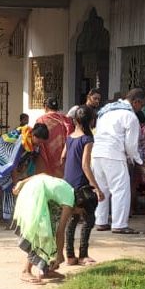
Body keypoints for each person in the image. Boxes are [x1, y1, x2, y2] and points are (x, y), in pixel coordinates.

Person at [11, 174, 96, 283]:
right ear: (80, 205)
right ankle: (25, 271)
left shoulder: (68, 188)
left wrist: (22, 182)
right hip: (33, 195)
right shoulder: (69, 203)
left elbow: (42, 175)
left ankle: (46, 270)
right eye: (82, 212)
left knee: (49, 230)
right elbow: (60, 232)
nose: (80, 214)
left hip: (31, 189)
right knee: (42, 234)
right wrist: (60, 254)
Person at [91, 88, 145, 234]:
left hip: (97, 154)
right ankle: (119, 224)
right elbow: (131, 145)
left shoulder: (106, 111)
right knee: (120, 190)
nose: (141, 109)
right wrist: (139, 161)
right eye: (142, 106)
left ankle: (101, 221)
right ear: (136, 102)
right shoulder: (130, 116)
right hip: (114, 155)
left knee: (102, 189)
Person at [61, 104, 103, 265]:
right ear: (91, 120)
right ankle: (83, 255)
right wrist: (97, 188)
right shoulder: (88, 139)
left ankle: (70, 256)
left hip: (68, 183)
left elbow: (63, 157)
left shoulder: (70, 137)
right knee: (89, 219)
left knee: (72, 219)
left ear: (75, 120)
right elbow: (86, 165)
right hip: (81, 184)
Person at [0, 123, 49, 224]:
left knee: (17, 185)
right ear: (33, 136)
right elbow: (13, 165)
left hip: (15, 162)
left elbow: (27, 160)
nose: (39, 145)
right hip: (3, 155)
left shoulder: (33, 144)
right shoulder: (21, 142)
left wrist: (22, 177)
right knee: (10, 187)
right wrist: (16, 184)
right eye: (38, 142)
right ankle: (9, 219)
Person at [35, 97, 74, 178]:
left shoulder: (41, 120)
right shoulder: (66, 120)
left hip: (45, 157)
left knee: (46, 180)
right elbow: (70, 137)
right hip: (62, 158)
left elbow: (36, 139)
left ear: (45, 107)